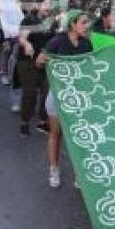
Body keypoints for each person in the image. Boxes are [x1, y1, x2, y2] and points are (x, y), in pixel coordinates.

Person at [36, 10, 92, 188]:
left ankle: (79, 173)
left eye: (87, 22)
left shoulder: (87, 44)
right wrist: (41, 59)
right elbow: (38, 62)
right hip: (58, 96)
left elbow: (91, 68)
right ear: (72, 24)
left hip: (78, 98)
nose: (86, 26)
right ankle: (54, 170)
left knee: (76, 138)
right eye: (83, 22)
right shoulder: (57, 41)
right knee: (56, 134)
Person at [17, 0, 56, 136]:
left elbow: (55, 40)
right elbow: (21, 37)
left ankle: (42, 120)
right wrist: (27, 44)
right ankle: (25, 122)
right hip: (28, 62)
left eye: (50, 4)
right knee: (30, 93)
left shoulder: (51, 22)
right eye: (46, 4)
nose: (48, 7)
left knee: (47, 93)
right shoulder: (29, 20)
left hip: (46, 62)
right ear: (37, 5)